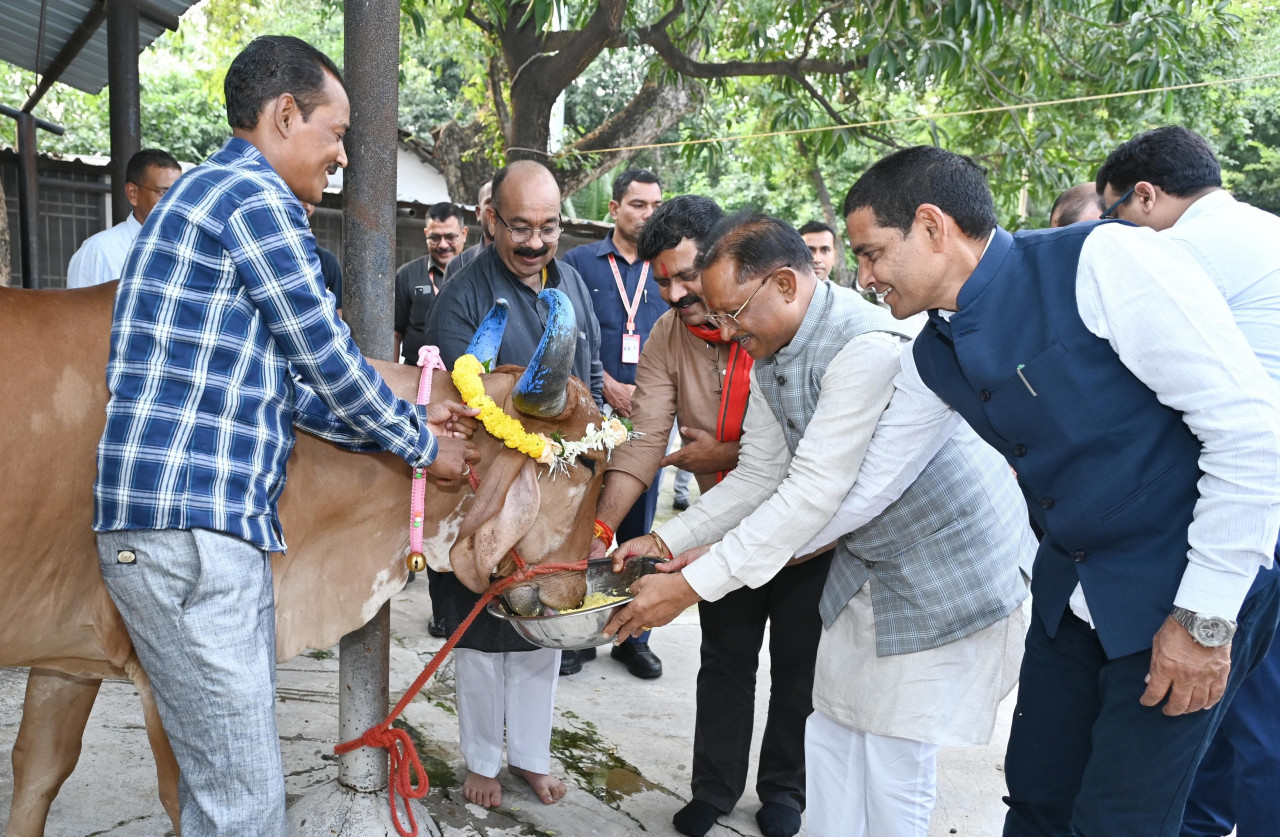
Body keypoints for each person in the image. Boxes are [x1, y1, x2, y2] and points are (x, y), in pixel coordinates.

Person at [92, 35, 479, 837]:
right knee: (247, 806)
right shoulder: (254, 199)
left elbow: (293, 389)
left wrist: (411, 419)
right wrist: (419, 441)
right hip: (195, 530)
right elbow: (328, 357)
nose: (341, 157)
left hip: (165, 528)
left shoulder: (203, 196)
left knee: (216, 790)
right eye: (334, 134)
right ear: (283, 115)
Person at [841, 145, 1280, 837]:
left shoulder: (1105, 262)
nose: (863, 277)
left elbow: (1252, 434)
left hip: (1183, 587)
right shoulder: (930, 351)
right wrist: (716, 558)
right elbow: (865, 484)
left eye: (871, 253)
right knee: (1037, 799)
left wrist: (1203, 621)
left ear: (932, 226)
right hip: (1070, 591)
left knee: (1121, 821)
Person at [606, 213, 1034, 837]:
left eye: (733, 313)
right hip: (867, 567)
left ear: (784, 284)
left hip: (940, 573)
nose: (724, 330)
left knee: (890, 764)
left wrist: (695, 583)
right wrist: (666, 539)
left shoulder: (866, 347)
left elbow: (813, 494)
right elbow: (757, 474)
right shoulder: (774, 346)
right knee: (834, 739)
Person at [591, 196, 828, 835]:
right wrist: (602, 531)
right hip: (716, 521)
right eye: (661, 279)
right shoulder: (670, 336)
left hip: (809, 529)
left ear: (727, 257)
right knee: (725, 659)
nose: (674, 293)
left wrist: (721, 451)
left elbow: (804, 461)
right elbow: (645, 438)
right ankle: (714, 788)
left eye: (687, 275)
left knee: (798, 665)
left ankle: (785, 790)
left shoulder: (781, 324)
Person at [1097, 125, 1280, 837]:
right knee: (1241, 706)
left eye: (1112, 215)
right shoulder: (1262, 229)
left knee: (1243, 713)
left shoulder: (1171, 253)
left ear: (1144, 196)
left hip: (1251, 503)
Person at [423, 158, 603, 809]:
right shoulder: (465, 290)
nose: (534, 242)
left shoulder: (574, 284)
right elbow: (458, 398)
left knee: (540, 625)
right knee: (480, 633)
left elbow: (591, 373)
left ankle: (529, 753)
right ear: (491, 218)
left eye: (548, 228)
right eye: (520, 226)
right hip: (483, 487)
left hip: (554, 489)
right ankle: (481, 759)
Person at [560, 168, 667, 678]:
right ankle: (577, 634)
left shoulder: (665, 268)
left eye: (654, 206)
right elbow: (568, 335)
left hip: (648, 420)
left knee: (638, 528)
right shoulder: (579, 263)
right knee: (585, 521)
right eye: (638, 205)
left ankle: (633, 635)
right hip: (591, 414)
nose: (647, 215)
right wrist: (605, 385)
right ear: (614, 208)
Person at [66, 148, 181, 288]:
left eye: (180, 193)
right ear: (133, 193)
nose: (175, 202)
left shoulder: (186, 250)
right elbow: (79, 309)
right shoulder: (98, 251)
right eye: (164, 192)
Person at [394, 201, 466, 365]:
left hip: (464, 378)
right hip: (415, 374)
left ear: (464, 234)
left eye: (450, 237)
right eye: (434, 238)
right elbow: (395, 333)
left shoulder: (477, 275)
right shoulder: (407, 274)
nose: (443, 245)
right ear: (426, 234)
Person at [445, 179, 494, 279]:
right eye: (491, 202)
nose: (498, 209)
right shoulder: (458, 266)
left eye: (504, 202)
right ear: (478, 212)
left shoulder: (529, 262)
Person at [302, 201, 342, 316]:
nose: (308, 207)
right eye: (300, 197)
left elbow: (338, 313)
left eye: (312, 202)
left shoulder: (326, 261)